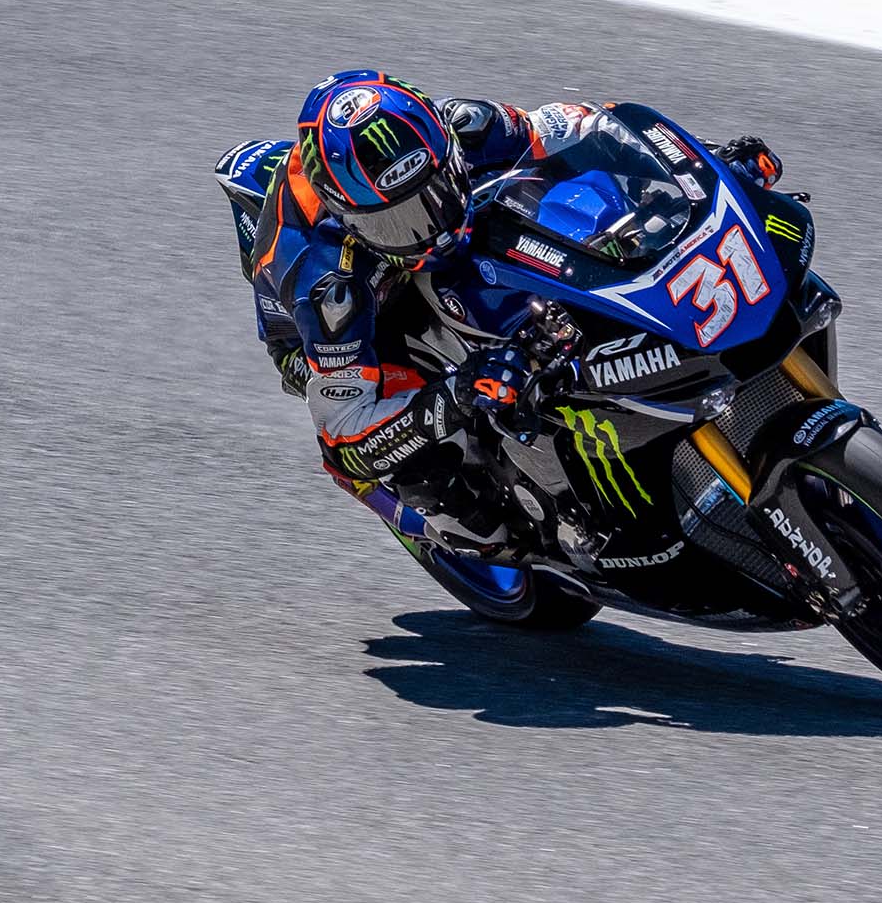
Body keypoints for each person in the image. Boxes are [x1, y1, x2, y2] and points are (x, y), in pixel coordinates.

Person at [240, 70, 780, 555]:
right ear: (349, 218)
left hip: (444, 242)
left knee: (568, 192)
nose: (431, 229)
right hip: (344, 323)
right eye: (397, 223)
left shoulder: (470, 124)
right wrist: (457, 394)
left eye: (435, 194)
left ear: (447, 149)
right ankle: (460, 527)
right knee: (428, 478)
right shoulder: (327, 282)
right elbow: (345, 435)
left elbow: (590, 128)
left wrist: (703, 168)